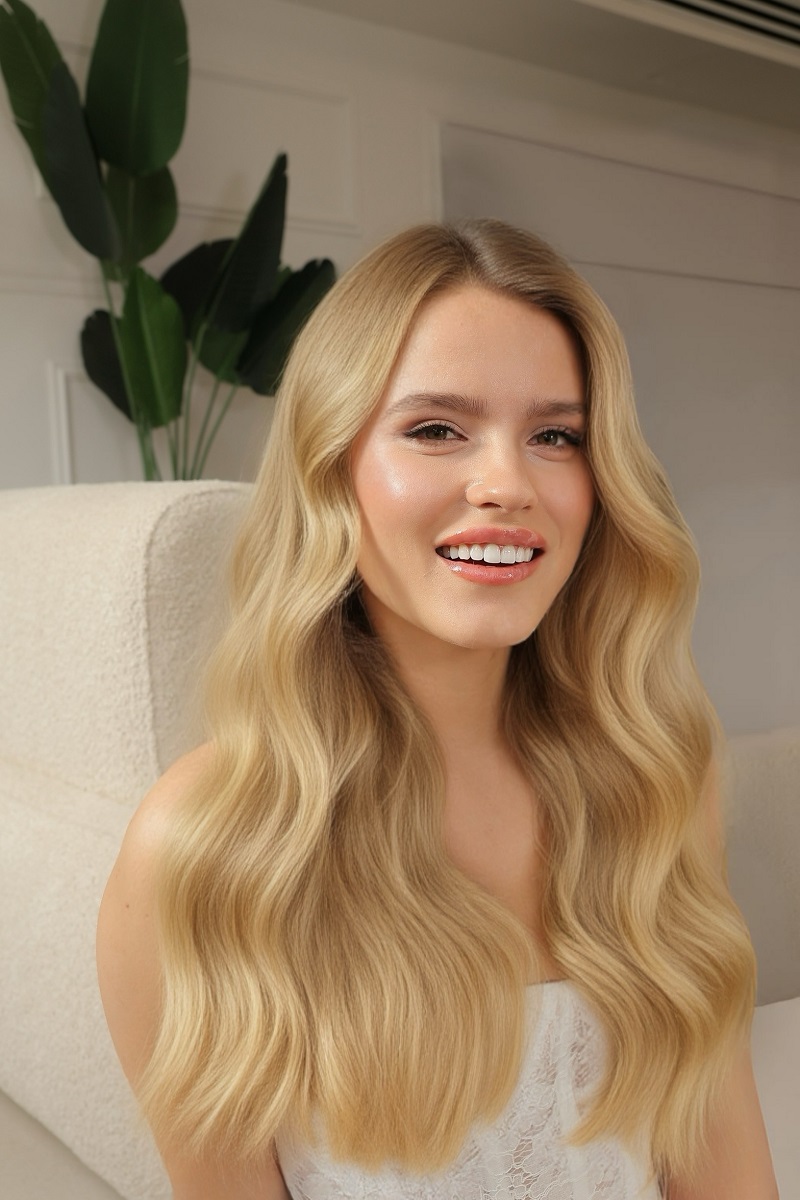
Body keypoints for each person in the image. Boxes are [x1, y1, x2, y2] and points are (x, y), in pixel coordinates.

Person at [96, 219, 778, 1200]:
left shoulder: (657, 783)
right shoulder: (202, 847)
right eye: (435, 430)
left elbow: (724, 1171)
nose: (507, 484)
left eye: (555, 436)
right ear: (331, 468)